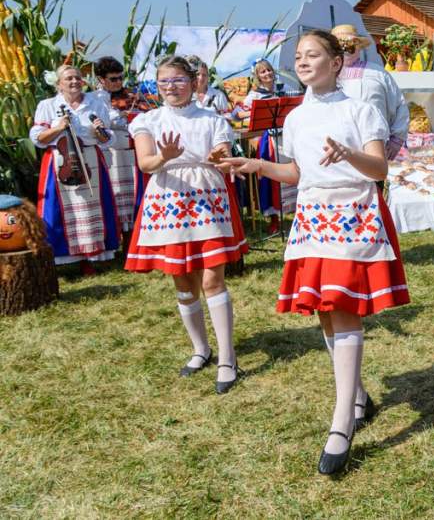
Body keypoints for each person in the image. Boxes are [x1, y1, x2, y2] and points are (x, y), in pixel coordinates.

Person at [219, 29, 408, 476]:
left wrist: (349, 154)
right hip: (312, 217)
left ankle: (342, 421)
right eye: (299, 56)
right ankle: (358, 395)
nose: (303, 62)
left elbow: (379, 167)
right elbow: (298, 172)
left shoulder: (360, 108)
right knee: (325, 309)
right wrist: (258, 165)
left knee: (342, 307)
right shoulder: (297, 117)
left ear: (336, 62)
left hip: (353, 211)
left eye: (313, 55)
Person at [125, 55, 248, 394]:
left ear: (194, 82)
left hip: (208, 197)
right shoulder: (147, 120)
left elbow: (222, 151)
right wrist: (164, 156)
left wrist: (217, 157)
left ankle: (227, 355)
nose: (171, 87)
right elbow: (147, 163)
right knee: (182, 280)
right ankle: (201, 349)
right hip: (169, 200)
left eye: (178, 80)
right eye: (164, 81)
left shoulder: (213, 119)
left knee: (212, 278)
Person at [30, 64, 120, 274]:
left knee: (93, 205)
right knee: (61, 208)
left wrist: (100, 132)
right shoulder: (48, 105)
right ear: (58, 84)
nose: (74, 82)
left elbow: (106, 139)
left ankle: (93, 256)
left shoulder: (95, 102)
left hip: (90, 158)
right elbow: (38, 138)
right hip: (60, 161)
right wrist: (59, 127)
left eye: (77, 78)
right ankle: (64, 258)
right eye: (68, 78)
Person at [330, 24, 410, 160]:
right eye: (341, 44)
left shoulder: (378, 73)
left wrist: (397, 139)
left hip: (375, 149)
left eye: (351, 43)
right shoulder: (324, 75)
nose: (346, 48)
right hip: (334, 152)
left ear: (359, 46)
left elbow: (399, 105)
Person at [93, 56, 147, 236]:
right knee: (114, 194)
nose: (118, 82)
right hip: (108, 154)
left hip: (130, 153)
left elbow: (146, 117)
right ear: (101, 79)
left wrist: (128, 117)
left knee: (132, 194)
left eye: (120, 78)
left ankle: (133, 236)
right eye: (113, 79)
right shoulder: (91, 99)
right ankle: (115, 237)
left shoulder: (132, 95)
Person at [238, 59, 293, 233]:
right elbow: (237, 114)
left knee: (294, 173)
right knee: (272, 178)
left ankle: (296, 213)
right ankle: (274, 219)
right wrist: (253, 112)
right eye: (263, 72)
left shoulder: (283, 90)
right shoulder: (254, 95)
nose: (267, 74)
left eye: (269, 70)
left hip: (288, 140)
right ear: (258, 76)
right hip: (270, 140)